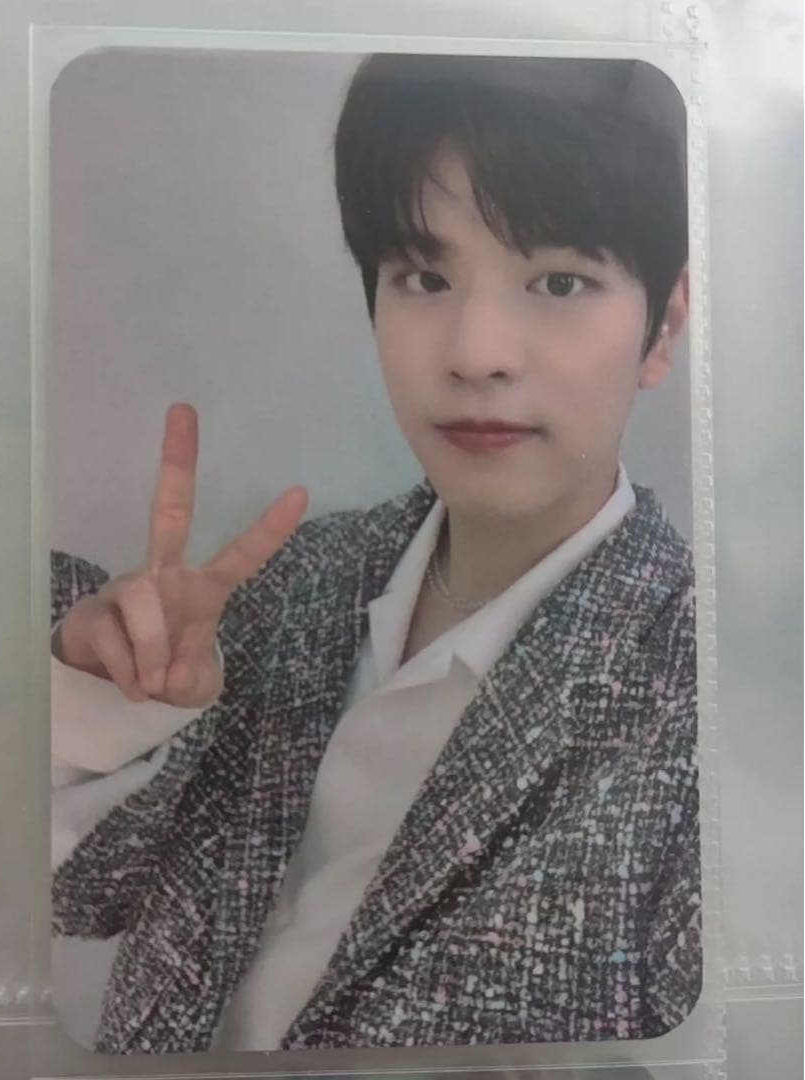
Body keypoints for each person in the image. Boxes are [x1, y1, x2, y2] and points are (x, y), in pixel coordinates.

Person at [50, 53, 700, 1055]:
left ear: (661, 327)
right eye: (424, 277)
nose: (476, 353)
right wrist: (107, 700)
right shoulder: (289, 582)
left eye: (558, 280)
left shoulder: (701, 704)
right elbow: (83, 895)